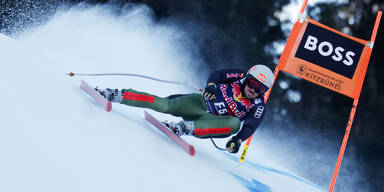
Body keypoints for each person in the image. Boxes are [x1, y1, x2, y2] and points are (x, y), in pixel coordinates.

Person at [97, 64, 274, 153]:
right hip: (199, 104)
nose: (253, 90)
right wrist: (211, 85)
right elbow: (218, 74)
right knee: (164, 104)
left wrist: (238, 141)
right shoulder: (239, 76)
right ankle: (116, 94)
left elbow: (250, 126)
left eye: (260, 89)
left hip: (209, 123)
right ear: (247, 79)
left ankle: (184, 128)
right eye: (252, 84)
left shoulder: (258, 106)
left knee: (235, 123)